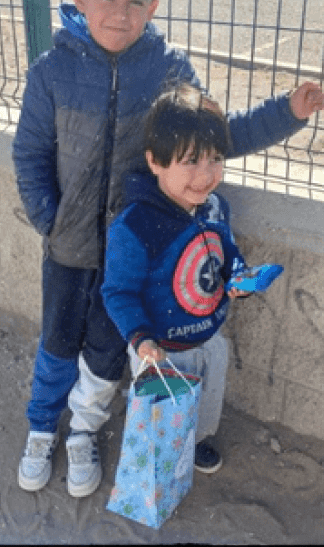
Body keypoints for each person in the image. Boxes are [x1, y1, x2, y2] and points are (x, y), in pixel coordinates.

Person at [12, 0, 324, 498]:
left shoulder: (168, 70)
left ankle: (83, 431)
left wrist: (288, 113)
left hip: (131, 257)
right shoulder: (50, 71)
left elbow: (217, 135)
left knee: (108, 350)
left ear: (153, 6)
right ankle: (40, 427)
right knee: (57, 343)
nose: (120, 13)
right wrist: (49, 220)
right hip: (67, 248)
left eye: (136, 0)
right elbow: (31, 152)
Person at [102, 84, 256, 474]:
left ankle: (199, 439)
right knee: (160, 420)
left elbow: (228, 255)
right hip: (161, 352)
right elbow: (118, 292)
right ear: (155, 161)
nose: (206, 176)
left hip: (210, 338)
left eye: (216, 158)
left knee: (208, 400)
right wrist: (142, 341)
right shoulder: (135, 226)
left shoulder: (216, 208)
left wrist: (238, 276)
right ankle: (160, 459)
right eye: (191, 161)